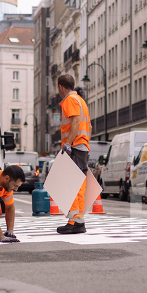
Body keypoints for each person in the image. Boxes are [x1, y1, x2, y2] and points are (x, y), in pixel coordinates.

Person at [56, 73, 91, 234]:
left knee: (72, 184)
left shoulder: (70, 100)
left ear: (60, 87)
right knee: (78, 185)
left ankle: (74, 222)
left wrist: (68, 144)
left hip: (74, 147)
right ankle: (77, 220)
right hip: (82, 146)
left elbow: (75, 122)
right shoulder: (81, 101)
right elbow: (88, 126)